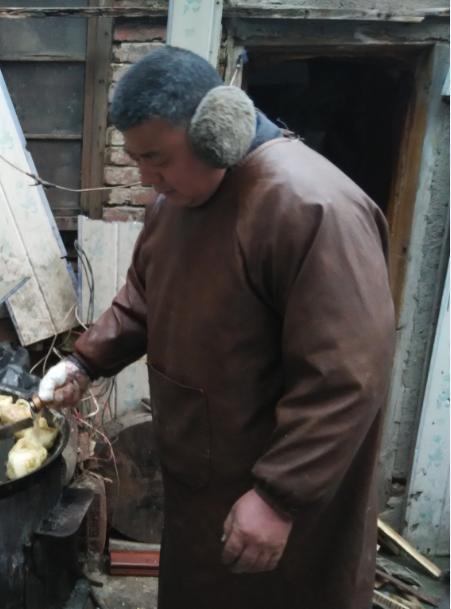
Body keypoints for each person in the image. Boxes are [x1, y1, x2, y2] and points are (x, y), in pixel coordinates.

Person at [39, 46, 395, 609]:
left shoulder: (312, 208)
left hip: (279, 498)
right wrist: (85, 362)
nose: (147, 179)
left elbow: (346, 377)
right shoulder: (176, 201)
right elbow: (144, 300)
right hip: (202, 483)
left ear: (216, 131)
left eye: (156, 158)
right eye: (135, 160)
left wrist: (279, 496)